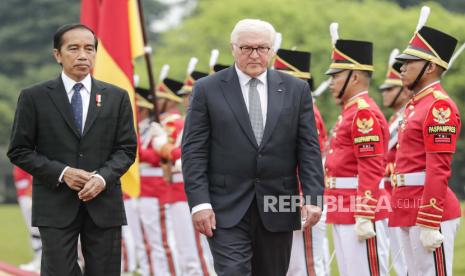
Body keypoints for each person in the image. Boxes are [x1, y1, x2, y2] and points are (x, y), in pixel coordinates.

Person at [181, 19, 324, 276]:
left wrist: (313, 197)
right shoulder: (207, 89)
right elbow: (194, 151)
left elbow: (308, 148)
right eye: (246, 48)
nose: (254, 55)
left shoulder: (296, 89)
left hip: (278, 203)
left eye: (262, 48)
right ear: (233, 48)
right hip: (224, 207)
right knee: (233, 271)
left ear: (271, 50)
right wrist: (199, 203)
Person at [7, 23, 137, 276]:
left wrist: (102, 178)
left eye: (89, 49)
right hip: (55, 204)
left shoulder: (116, 96)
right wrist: (63, 172)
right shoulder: (35, 97)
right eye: (73, 48)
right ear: (57, 54)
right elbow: (19, 150)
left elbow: (126, 149)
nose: (82, 55)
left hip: (104, 203)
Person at [389, 7, 461, 275]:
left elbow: (438, 167)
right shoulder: (415, 105)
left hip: (429, 209)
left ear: (430, 67)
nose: (402, 67)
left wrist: (430, 219)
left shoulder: (438, 107)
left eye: (409, 62)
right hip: (408, 202)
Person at [323, 23, 390, 276]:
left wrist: (364, 211)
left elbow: (371, 166)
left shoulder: (363, 112)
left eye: (336, 76)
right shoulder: (350, 111)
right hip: (343, 206)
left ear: (356, 76)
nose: (330, 82)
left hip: (360, 209)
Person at [274, 48, 330, 276]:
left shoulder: (308, 112)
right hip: (284, 198)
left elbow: (308, 160)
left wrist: (304, 196)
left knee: (307, 267)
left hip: (300, 198)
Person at [379, 49, 411, 276]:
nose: (384, 94)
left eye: (389, 89)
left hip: (404, 196)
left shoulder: (408, 116)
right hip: (389, 196)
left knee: (408, 264)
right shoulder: (395, 119)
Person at [13, 166, 42, 273]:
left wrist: (30, 188)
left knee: (38, 230)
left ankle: (41, 262)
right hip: (23, 192)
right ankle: (39, 260)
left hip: (30, 192)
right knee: (33, 230)